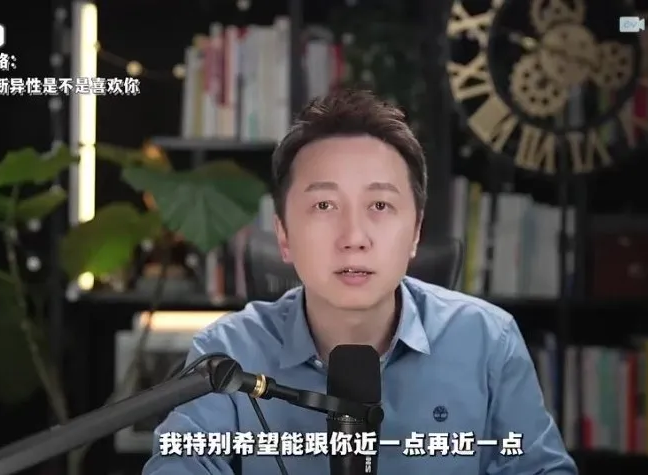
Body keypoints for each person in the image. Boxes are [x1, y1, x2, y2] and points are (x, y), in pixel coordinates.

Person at [143, 89, 576, 474]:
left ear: (416, 231)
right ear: (284, 235)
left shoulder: (487, 341)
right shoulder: (229, 352)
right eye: (325, 205)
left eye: (380, 205)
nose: (354, 237)